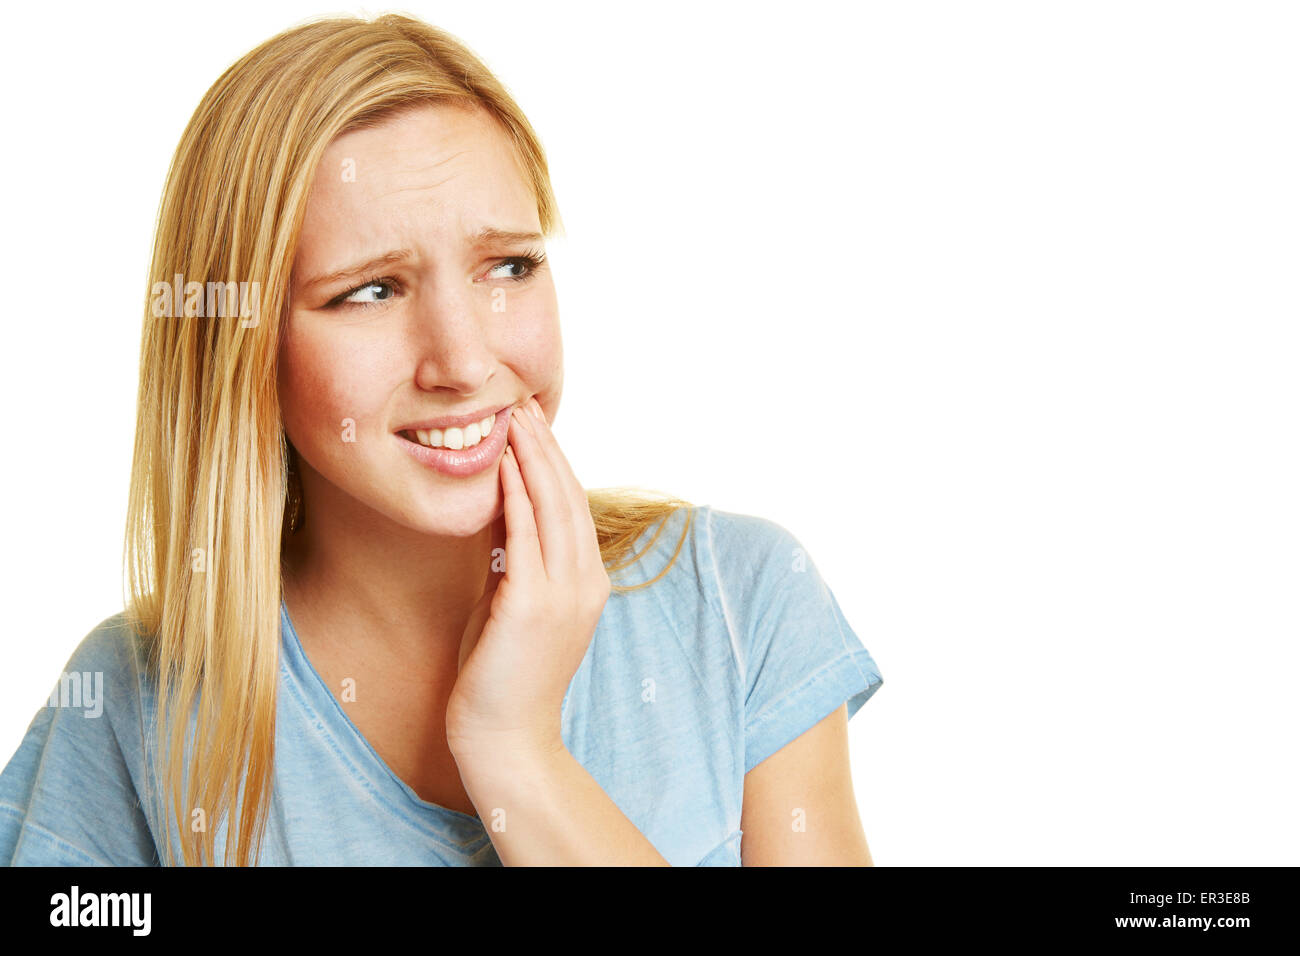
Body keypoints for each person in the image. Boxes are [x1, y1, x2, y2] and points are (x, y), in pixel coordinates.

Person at [0, 13, 884, 866]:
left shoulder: (738, 601)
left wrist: (519, 755)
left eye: (509, 266)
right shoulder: (133, 701)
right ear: (246, 348)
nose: (464, 362)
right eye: (372, 290)